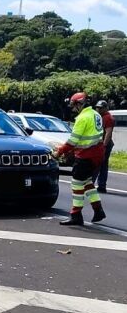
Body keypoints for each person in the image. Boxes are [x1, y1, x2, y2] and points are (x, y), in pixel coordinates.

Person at [55, 92, 106, 226]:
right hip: (97, 154)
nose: (73, 108)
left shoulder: (82, 118)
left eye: (74, 105)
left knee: (77, 184)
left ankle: (76, 215)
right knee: (87, 182)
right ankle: (98, 210)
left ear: (79, 104)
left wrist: (59, 152)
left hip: (86, 155)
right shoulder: (95, 114)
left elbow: (73, 141)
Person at [94, 100, 115, 193]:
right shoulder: (100, 117)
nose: (98, 109)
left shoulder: (108, 118)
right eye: (97, 108)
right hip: (100, 143)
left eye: (101, 108)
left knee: (98, 164)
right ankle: (100, 185)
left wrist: (104, 146)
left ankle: (98, 185)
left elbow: (108, 133)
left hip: (104, 144)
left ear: (106, 108)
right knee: (101, 164)